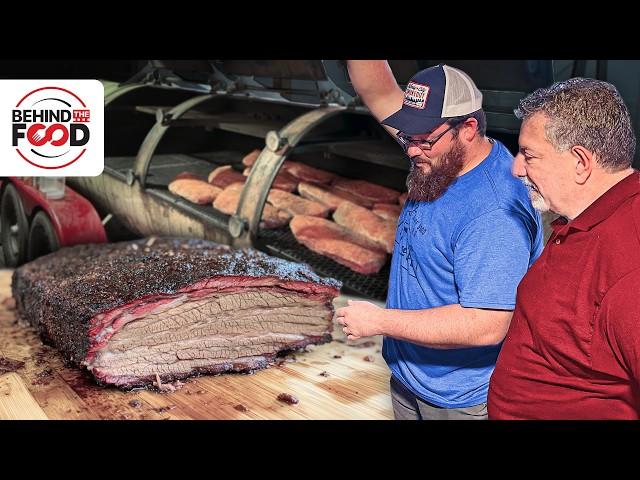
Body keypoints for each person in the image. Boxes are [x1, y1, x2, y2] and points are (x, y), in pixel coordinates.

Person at [339, 61, 543, 420]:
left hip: (458, 396)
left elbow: (486, 325)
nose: (411, 150)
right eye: (407, 137)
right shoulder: (437, 158)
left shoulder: (493, 212)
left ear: (467, 129)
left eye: (422, 140)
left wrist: (380, 322)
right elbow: (378, 89)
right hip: (411, 375)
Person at [488, 77, 640, 419]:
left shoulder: (630, 261)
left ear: (580, 162)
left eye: (529, 155)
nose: (515, 169)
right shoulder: (586, 215)